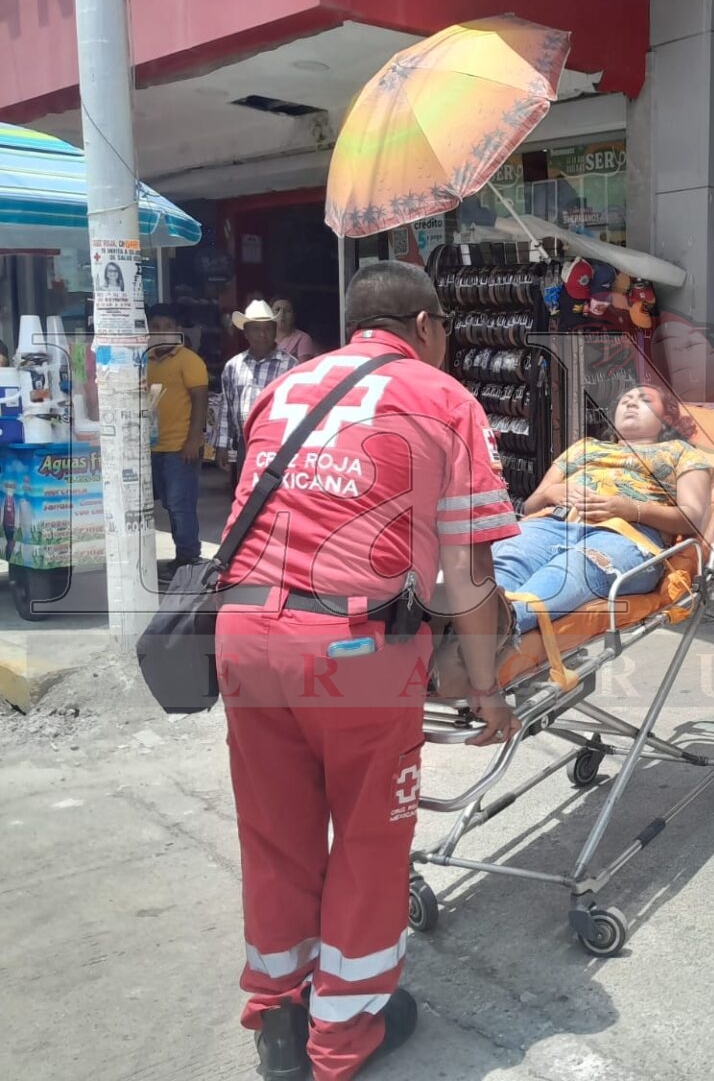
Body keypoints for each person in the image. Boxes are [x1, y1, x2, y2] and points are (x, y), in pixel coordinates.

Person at [214, 261, 521, 1081]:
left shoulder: (284, 385)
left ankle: (278, 1013)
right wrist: (486, 686)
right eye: (446, 330)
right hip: (351, 650)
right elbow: (470, 567)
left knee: (274, 834)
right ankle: (344, 1036)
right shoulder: (442, 396)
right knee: (367, 841)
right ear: (424, 326)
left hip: (244, 630)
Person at [492, 384, 714, 633]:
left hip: (627, 535)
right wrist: (551, 493)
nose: (630, 403)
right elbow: (532, 505)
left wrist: (631, 509)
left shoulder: (682, 452)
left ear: (668, 419)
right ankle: (474, 621)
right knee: (509, 558)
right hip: (553, 522)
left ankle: (503, 622)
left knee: (575, 568)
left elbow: (693, 517)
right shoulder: (584, 447)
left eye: (644, 400)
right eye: (625, 399)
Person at [146, 308, 209, 569]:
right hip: (152, 447)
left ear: (178, 330)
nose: (162, 332)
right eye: (156, 327)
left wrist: (193, 441)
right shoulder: (143, 360)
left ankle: (189, 556)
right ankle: (181, 555)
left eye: (167, 326)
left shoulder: (189, 360)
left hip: (181, 447)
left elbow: (200, 400)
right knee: (170, 506)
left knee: (180, 504)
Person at [215, 300, 298, 486]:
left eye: (268, 329)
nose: (262, 334)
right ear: (246, 333)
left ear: (275, 331)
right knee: (246, 494)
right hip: (246, 442)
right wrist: (222, 445)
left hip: (278, 442)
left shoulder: (291, 366)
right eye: (256, 329)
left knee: (275, 493)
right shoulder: (233, 366)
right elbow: (226, 408)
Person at [274, 297, 321, 363]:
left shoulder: (303, 338)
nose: (282, 314)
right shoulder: (264, 337)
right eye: (277, 310)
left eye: (287, 310)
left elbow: (303, 369)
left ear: (294, 316)